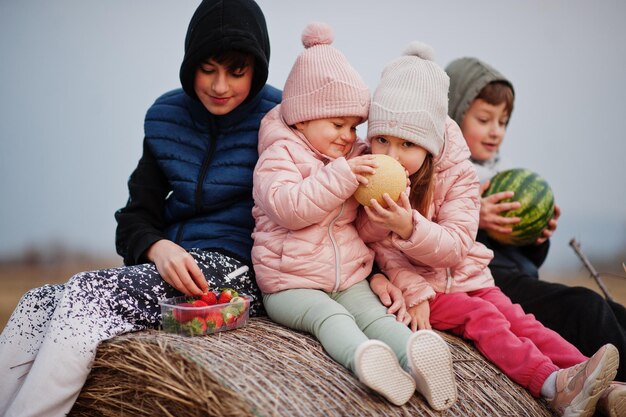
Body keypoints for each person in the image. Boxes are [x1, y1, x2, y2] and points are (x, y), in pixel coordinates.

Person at [0, 1, 280, 416]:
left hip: (240, 271)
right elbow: (135, 215)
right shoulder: (165, 117)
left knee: (86, 295)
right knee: (37, 302)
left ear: (257, 69)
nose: (220, 86)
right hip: (170, 264)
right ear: (190, 66)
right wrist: (156, 247)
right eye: (208, 69)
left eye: (236, 71)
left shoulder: (282, 117)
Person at [358, 42, 620, 417]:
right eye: (381, 139)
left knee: (520, 319)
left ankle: (595, 381)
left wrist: (408, 226)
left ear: (431, 142)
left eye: (407, 144)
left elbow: (455, 246)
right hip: (427, 291)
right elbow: (374, 250)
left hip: (468, 276)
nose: (392, 155)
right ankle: (551, 385)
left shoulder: (460, 175)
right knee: (484, 319)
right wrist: (402, 256)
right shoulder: (370, 174)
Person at [251, 22, 456, 410]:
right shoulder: (278, 155)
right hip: (290, 284)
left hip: (349, 278)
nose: (349, 135)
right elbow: (290, 208)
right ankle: (365, 360)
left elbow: (363, 228)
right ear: (302, 119)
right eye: (337, 125)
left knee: (377, 317)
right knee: (331, 318)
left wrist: (387, 207)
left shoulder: (351, 158)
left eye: (353, 125)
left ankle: (416, 356)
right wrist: (340, 176)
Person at [445, 57, 626, 415]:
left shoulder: (497, 176)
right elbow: (435, 237)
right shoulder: (443, 174)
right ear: (452, 115)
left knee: (614, 311)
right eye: (484, 120)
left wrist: (535, 238)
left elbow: (516, 254)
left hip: (515, 276)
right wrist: (474, 215)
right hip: (486, 282)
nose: (496, 131)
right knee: (584, 308)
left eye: (503, 122)